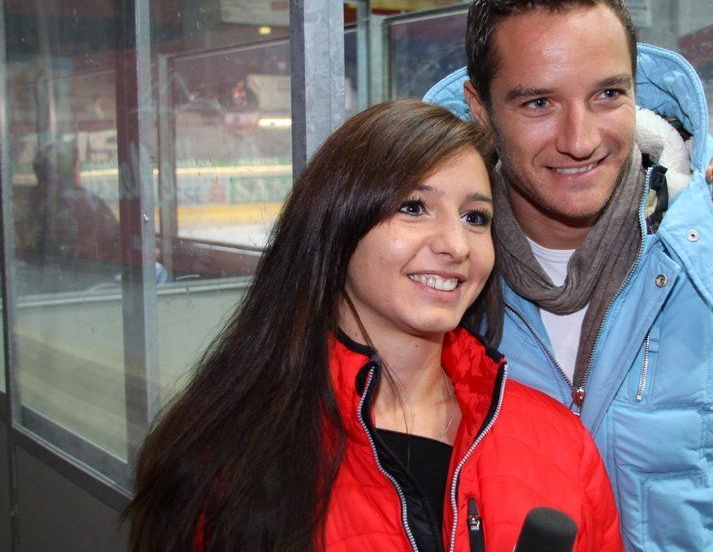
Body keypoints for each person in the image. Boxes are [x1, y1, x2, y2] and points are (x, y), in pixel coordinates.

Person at [424, 0, 713, 550]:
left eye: (608, 94)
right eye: (538, 103)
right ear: (481, 108)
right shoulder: (433, 270)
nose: (580, 140)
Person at [124, 100, 624, 552]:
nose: (456, 245)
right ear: (337, 224)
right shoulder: (229, 455)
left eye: (475, 217)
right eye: (413, 207)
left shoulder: (561, 443)